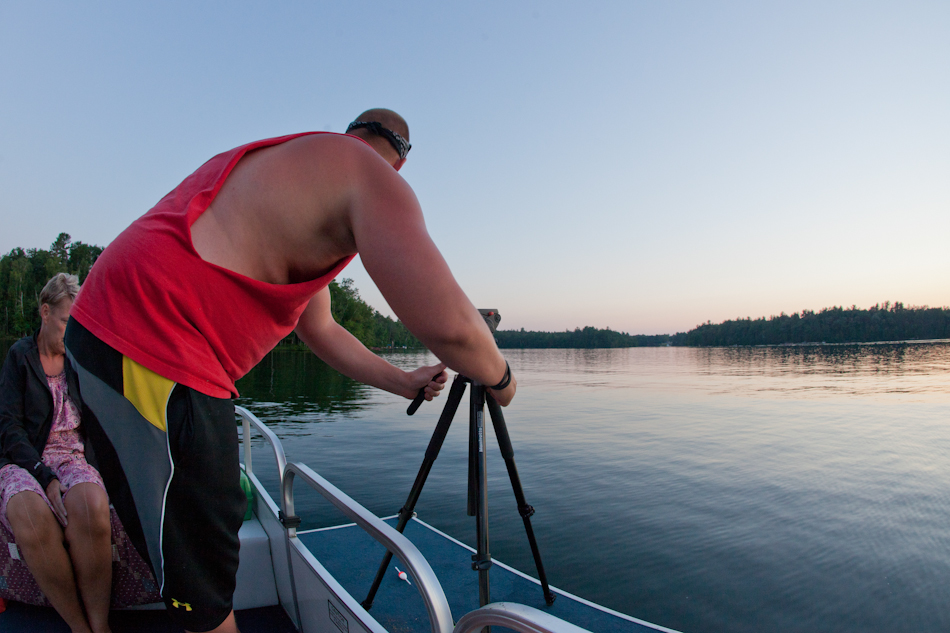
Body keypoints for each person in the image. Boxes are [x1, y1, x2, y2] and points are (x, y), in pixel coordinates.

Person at [65, 108, 516, 633]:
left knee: (189, 554)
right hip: (158, 345)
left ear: (353, 131)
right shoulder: (366, 174)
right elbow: (453, 327)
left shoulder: (292, 173)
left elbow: (319, 329)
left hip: (98, 338)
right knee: (205, 594)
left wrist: (401, 381)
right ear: (400, 160)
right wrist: (502, 380)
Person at [0, 273, 113, 633]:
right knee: (28, 513)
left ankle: (100, 626)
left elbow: (100, 420)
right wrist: (43, 477)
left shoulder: (80, 358)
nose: (73, 331)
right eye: (67, 321)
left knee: (92, 505)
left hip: (72, 457)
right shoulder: (20, 357)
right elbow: (9, 427)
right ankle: (79, 627)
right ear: (46, 312)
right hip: (23, 458)